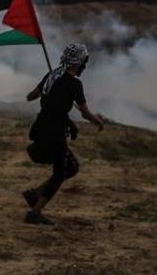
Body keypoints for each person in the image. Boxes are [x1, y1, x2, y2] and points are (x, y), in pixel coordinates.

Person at [22, 43, 104, 225]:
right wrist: (97, 120)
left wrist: (50, 89)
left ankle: (35, 194)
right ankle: (35, 213)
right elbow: (85, 113)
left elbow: (31, 96)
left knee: (71, 167)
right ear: (78, 62)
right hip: (54, 131)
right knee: (61, 172)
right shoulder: (75, 84)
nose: (84, 66)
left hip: (41, 127)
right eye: (84, 62)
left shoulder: (52, 75)